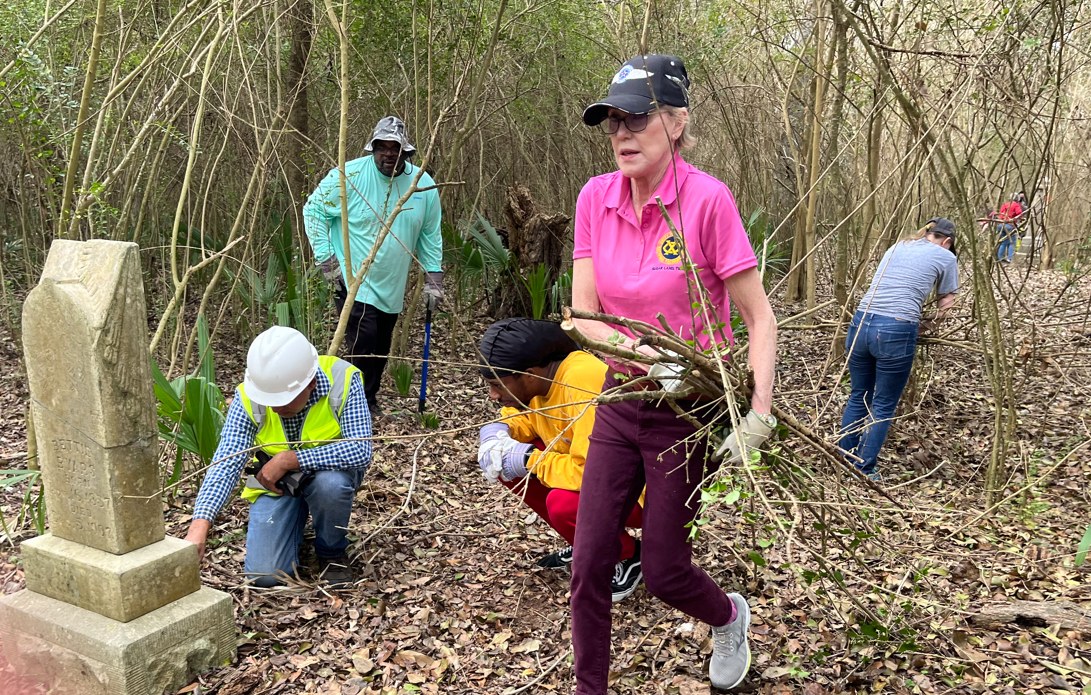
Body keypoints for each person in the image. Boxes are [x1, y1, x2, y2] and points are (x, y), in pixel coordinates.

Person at [569, 54, 778, 693]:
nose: (623, 134)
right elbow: (583, 317)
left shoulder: (707, 202)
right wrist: (641, 357)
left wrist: (759, 414)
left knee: (662, 570)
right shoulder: (595, 199)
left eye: (637, 118)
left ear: (677, 122)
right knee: (589, 563)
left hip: (687, 413)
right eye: (613, 122)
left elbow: (759, 319)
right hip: (621, 396)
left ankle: (728, 615)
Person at [184, 326, 372, 587]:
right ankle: (292, 526)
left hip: (329, 473)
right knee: (265, 576)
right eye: (269, 399)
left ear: (311, 384)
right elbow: (227, 459)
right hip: (276, 482)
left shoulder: (342, 378)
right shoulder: (250, 394)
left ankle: (331, 551)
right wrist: (200, 524)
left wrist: (289, 460)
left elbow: (360, 450)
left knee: (330, 486)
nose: (274, 407)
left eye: (283, 401)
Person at [476, 318, 644, 602]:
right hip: (594, 475)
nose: (493, 395)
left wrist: (530, 459)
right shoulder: (542, 380)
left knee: (562, 505)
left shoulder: (583, 380)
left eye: (497, 385)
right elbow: (527, 420)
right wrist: (501, 432)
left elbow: (591, 473)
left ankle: (627, 555)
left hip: (637, 491)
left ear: (528, 374)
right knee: (505, 462)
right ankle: (586, 542)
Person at [303, 116, 444, 417]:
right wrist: (327, 260)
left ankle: (368, 400)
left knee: (381, 343)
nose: (388, 154)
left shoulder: (423, 186)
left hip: (393, 283)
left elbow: (430, 235)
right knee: (363, 341)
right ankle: (353, 406)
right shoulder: (349, 176)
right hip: (355, 279)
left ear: (406, 152)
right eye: (382, 147)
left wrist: (434, 279)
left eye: (395, 148)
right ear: (373, 148)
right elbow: (313, 210)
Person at [839, 218, 959, 480]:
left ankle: (843, 459)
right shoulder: (945, 256)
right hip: (895, 329)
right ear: (947, 241)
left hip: (860, 322)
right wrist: (929, 326)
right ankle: (864, 468)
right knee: (882, 404)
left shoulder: (898, 246)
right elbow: (947, 302)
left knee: (859, 395)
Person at [993, 192, 1026, 263]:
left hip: (1000, 224)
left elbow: (1000, 214)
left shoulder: (1005, 204)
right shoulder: (1016, 205)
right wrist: (1021, 219)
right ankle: (1010, 258)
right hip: (1009, 225)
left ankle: (1000, 257)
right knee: (1012, 242)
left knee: (1003, 242)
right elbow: (1019, 214)